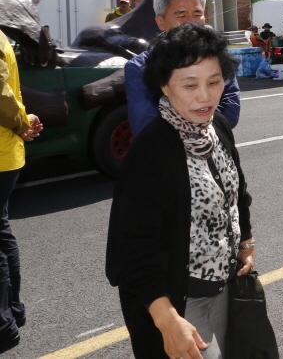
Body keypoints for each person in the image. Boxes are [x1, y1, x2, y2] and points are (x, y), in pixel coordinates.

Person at [107, 24, 254, 359]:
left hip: (223, 287)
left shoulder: (216, 127)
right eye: (190, 85)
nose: (205, 96)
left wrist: (245, 240)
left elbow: (237, 193)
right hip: (178, 303)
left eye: (214, 82)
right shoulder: (152, 150)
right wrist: (167, 318)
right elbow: (131, 250)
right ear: (163, 85)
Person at [125, 0, 241, 137]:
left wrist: (203, 130)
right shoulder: (140, 66)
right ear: (160, 22)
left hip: (216, 145)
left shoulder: (216, 56)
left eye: (198, 14)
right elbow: (145, 122)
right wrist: (192, 132)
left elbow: (231, 108)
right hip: (168, 153)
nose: (191, 22)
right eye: (182, 16)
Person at [0, 31, 41, 352]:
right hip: (6, 152)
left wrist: (21, 122)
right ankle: (13, 311)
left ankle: (4, 325)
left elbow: (1, 96)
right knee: (1, 233)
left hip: (1, 152)